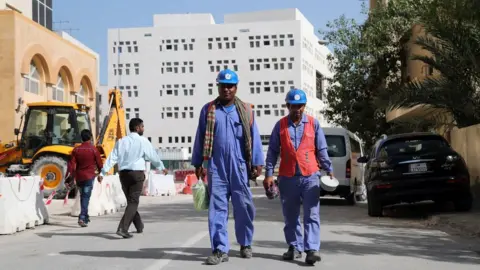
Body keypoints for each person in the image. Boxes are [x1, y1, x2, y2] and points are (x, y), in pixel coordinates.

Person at [192, 69, 265, 265]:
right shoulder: (208, 110)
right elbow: (200, 137)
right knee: (217, 209)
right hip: (217, 166)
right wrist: (198, 162)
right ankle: (219, 248)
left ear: (236, 87)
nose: (226, 89)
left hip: (240, 166)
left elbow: (255, 137)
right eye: (223, 85)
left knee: (244, 207)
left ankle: (245, 243)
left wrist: (258, 162)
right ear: (218, 86)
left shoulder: (246, 110)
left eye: (230, 86)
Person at [264, 88, 334, 265]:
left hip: (310, 175)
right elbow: (272, 152)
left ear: (305, 106)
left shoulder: (313, 124)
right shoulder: (280, 126)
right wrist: (269, 174)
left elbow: (321, 149)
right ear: (287, 106)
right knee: (291, 215)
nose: (297, 109)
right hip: (288, 177)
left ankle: (311, 249)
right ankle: (294, 247)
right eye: (293, 106)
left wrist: (328, 168)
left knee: (312, 214)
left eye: (300, 106)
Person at [99, 118, 168, 239]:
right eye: (142, 126)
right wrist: (162, 167)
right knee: (133, 202)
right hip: (136, 174)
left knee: (131, 201)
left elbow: (112, 157)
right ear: (137, 128)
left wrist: (103, 172)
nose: (143, 129)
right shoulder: (143, 141)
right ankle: (122, 228)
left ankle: (139, 225)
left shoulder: (121, 141)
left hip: (123, 175)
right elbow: (153, 156)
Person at [66, 129, 103, 227]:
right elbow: (99, 164)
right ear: (90, 137)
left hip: (79, 177)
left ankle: (85, 216)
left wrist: (71, 177)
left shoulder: (76, 150)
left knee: (83, 197)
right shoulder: (93, 149)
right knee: (86, 197)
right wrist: (100, 174)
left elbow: (72, 165)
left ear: (81, 138)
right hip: (89, 176)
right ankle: (82, 217)